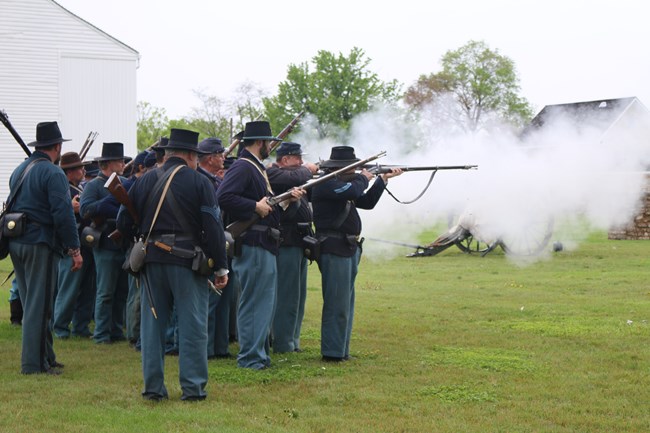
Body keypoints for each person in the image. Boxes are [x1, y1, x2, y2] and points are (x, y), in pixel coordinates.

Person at [117, 128, 229, 401]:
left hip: (152, 261)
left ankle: (153, 389)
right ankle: (193, 389)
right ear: (192, 155)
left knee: (152, 328)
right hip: (186, 262)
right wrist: (221, 267)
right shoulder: (199, 182)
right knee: (192, 327)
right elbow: (213, 228)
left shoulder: (143, 181)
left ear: (167, 154)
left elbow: (122, 222)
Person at [217, 121, 304, 370]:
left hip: (264, 242)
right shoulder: (244, 166)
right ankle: (251, 358)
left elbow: (265, 204)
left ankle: (259, 354)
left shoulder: (254, 167)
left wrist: (285, 202)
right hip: (254, 242)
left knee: (263, 302)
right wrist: (254, 206)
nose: (270, 146)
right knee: (255, 302)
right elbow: (223, 196)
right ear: (260, 142)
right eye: (268, 141)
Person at [311, 146, 402, 362]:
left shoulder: (343, 184)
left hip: (348, 247)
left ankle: (341, 349)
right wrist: (365, 176)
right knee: (336, 303)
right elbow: (352, 191)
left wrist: (382, 180)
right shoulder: (326, 183)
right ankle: (332, 352)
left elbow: (367, 202)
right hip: (334, 247)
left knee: (346, 303)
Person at [6, 121, 82, 375]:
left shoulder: (19, 170)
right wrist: (74, 248)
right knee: (40, 306)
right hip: (40, 243)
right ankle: (33, 364)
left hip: (17, 241)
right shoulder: (53, 173)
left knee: (32, 303)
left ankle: (46, 356)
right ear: (58, 146)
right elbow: (62, 215)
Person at [267, 142, 318, 353]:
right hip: (286, 242)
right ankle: (282, 342)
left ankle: (293, 339)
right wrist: (307, 170)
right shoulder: (276, 174)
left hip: (299, 241)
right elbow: (295, 178)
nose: (301, 162)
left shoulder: (295, 176)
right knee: (287, 297)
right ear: (285, 159)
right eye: (297, 158)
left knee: (298, 296)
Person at [79, 142, 130, 344]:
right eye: (119, 161)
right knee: (105, 292)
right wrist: (108, 204)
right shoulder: (94, 185)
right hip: (105, 241)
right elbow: (85, 211)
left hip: (123, 242)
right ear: (108, 163)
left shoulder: (125, 182)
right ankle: (101, 334)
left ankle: (116, 331)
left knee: (121, 292)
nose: (122, 163)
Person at [196, 137, 234, 359]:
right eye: (220, 154)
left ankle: (220, 347)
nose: (223, 158)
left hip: (220, 242)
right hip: (207, 246)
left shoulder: (213, 181)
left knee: (221, 301)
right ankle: (208, 348)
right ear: (210, 158)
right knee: (209, 301)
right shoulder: (202, 180)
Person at [52, 152, 96, 339]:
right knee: (68, 289)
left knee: (88, 289)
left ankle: (81, 327)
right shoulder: (63, 190)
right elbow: (58, 216)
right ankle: (60, 328)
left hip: (87, 244)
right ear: (70, 172)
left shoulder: (79, 189)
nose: (83, 170)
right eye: (79, 167)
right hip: (71, 247)